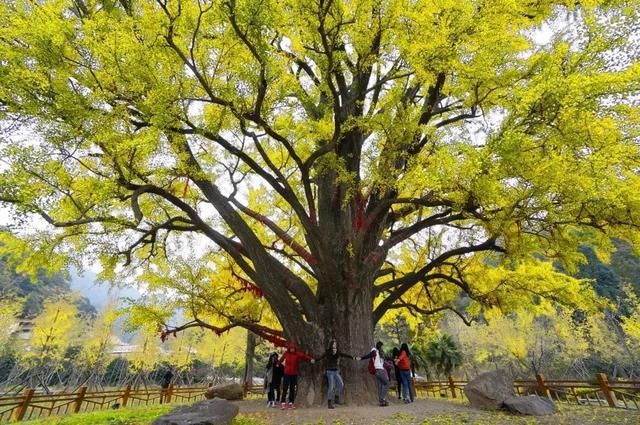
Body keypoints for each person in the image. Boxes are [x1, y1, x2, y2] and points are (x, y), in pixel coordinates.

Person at [315, 338, 354, 409]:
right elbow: (322, 357)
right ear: (331, 345)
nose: (335, 345)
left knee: (341, 384)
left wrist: (352, 357)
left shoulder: (338, 352)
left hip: (335, 371)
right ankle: (329, 403)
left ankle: (336, 398)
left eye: (336, 344)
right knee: (331, 387)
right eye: (333, 344)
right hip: (329, 372)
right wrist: (315, 360)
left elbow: (344, 355)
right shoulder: (328, 352)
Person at [279, 341, 315, 409]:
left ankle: (291, 403)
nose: (292, 349)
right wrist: (278, 363)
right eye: (291, 348)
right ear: (289, 348)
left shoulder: (297, 354)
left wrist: (310, 359)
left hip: (293, 374)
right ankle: (283, 402)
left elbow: (304, 356)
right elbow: (281, 359)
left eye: (293, 348)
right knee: (285, 388)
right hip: (286, 373)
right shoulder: (286, 353)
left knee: (292, 388)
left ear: (295, 348)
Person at [356, 341, 390, 406]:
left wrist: (393, 359)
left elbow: (385, 359)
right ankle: (382, 399)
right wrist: (360, 358)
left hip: (378, 371)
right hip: (379, 370)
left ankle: (381, 402)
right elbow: (368, 355)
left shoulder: (380, 353)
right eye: (381, 346)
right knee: (386, 383)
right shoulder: (375, 351)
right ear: (379, 346)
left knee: (380, 385)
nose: (382, 348)